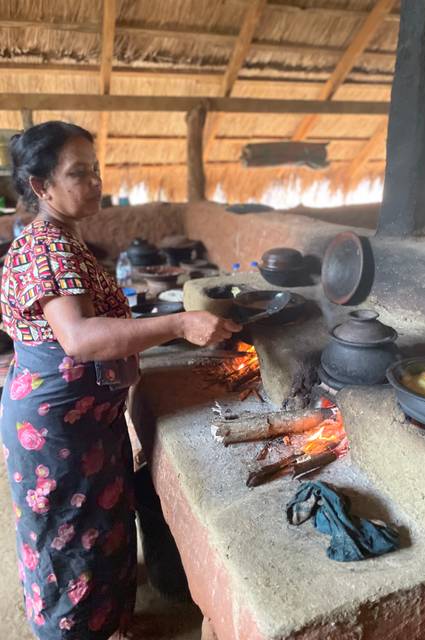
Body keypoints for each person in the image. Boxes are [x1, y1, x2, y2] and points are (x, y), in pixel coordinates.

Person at [0, 121, 242, 640]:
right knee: (70, 538)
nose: (95, 182)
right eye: (78, 173)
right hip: (57, 429)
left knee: (96, 527)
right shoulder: (48, 247)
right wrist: (178, 323)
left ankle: (106, 623)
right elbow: (80, 338)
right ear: (41, 186)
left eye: (96, 169)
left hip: (82, 418)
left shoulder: (62, 236)